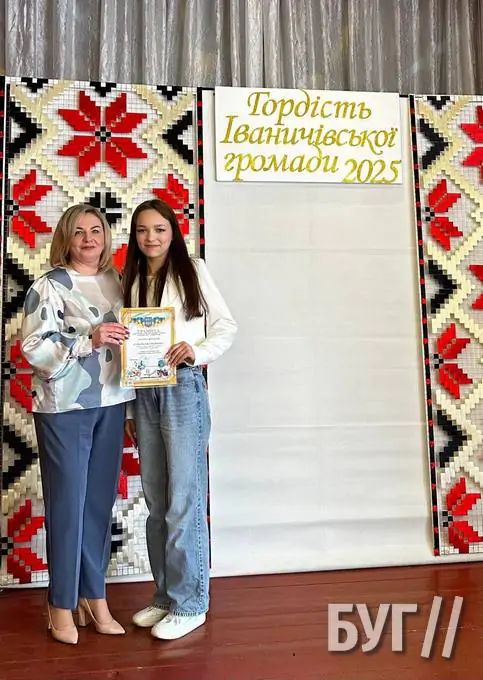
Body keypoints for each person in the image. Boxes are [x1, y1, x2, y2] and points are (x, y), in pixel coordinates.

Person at [123, 198, 237, 640]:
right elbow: (128, 348)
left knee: (183, 502)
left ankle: (192, 603)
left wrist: (197, 351)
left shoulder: (193, 270)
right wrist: (130, 407)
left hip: (183, 389)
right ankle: (166, 596)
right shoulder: (131, 279)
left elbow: (226, 326)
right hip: (145, 392)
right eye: (142, 230)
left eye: (159, 229)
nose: (151, 237)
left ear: (173, 232)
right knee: (156, 500)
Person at [20, 204, 135, 644]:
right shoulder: (49, 285)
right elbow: (35, 348)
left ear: (106, 237)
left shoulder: (119, 282)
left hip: (113, 402)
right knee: (68, 506)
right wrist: (89, 338)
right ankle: (60, 603)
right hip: (64, 408)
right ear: (65, 239)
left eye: (96, 231)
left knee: (98, 506)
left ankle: (94, 596)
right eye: (79, 232)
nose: (89, 239)